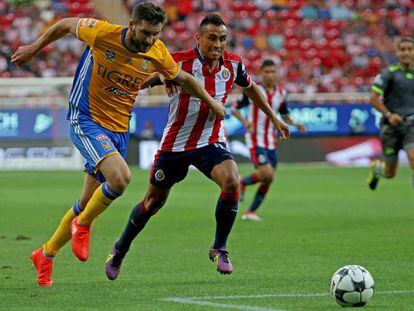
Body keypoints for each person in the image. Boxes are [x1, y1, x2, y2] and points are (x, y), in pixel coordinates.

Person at [11, 3, 225, 287]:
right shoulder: (101, 33)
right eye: (146, 32)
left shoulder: (157, 51)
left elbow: (183, 78)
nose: (150, 39)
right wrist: (33, 48)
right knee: (121, 178)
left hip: (118, 129)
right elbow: (64, 24)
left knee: (87, 202)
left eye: (156, 34)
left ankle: (45, 255)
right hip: (85, 118)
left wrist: (211, 102)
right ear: (132, 24)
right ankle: (83, 224)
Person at [104, 14, 290, 279]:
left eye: (222, 39)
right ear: (199, 38)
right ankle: (120, 249)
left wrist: (274, 117)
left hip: (210, 140)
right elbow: (152, 77)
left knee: (231, 181)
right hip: (175, 144)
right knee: (153, 202)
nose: (218, 44)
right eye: (212, 38)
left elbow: (252, 89)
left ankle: (220, 247)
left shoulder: (234, 65)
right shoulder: (179, 61)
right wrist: (130, 90)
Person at [232, 59, 306, 221]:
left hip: (271, 141)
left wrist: (295, 124)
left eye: (273, 72)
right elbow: (234, 109)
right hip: (255, 139)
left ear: (277, 73)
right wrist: (245, 122)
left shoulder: (281, 93)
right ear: (261, 73)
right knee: (267, 173)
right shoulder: (252, 90)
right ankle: (242, 181)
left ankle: (251, 211)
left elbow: (285, 116)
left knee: (268, 179)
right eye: (267, 72)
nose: (270, 75)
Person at [367, 37, 414, 190]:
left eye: (409, 49)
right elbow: (373, 99)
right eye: (403, 49)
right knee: (390, 173)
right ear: (397, 52)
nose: (406, 53)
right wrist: (389, 115)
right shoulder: (389, 73)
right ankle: (377, 170)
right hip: (391, 128)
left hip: (411, 126)